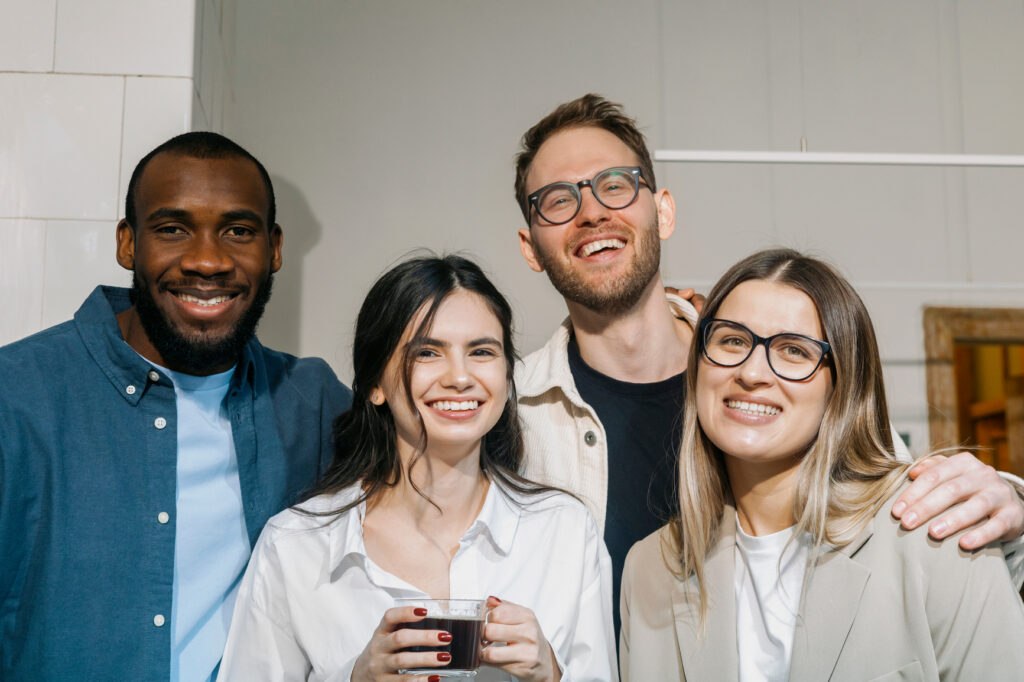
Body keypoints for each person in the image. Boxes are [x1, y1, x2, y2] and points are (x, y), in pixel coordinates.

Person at [511, 94, 1024, 632]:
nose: (592, 211)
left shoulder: (778, 383)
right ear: (530, 247)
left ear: (662, 211)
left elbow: (897, 504)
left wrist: (1003, 508)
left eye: (615, 184)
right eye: (557, 200)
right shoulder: (509, 417)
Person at [0, 133, 352, 681]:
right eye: (172, 229)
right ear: (128, 244)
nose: (207, 261)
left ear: (274, 248)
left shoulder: (313, 403)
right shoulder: (15, 396)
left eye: (238, 231)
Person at [620, 248, 1024, 680]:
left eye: (793, 350)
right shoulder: (649, 568)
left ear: (842, 386)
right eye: (732, 340)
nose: (753, 372)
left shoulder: (932, 534)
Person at [217, 255, 616, 681]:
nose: (460, 377)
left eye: (482, 351)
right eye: (427, 352)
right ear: (374, 384)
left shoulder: (565, 532)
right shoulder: (295, 547)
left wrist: (552, 675)